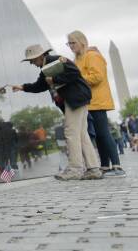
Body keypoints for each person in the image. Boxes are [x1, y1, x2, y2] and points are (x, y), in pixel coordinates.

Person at [12, 44, 101, 181]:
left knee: (70, 133)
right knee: (82, 134)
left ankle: (75, 169)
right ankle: (93, 168)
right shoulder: (44, 69)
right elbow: (39, 86)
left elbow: (74, 73)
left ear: (40, 56)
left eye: (33, 60)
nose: (32, 63)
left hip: (75, 99)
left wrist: (54, 80)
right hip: (74, 100)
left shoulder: (57, 60)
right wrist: (22, 87)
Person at [66, 31, 124, 176]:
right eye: (69, 43)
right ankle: (105, 166)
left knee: (103, 133)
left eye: (73, 43)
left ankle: (117, 167)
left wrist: (76, 79)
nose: (71, 46)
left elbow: (97, 77)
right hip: (87, 102)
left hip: (97, 101)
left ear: (82, 41)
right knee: (98, 135)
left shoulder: (92, 56)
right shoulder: (78, 59)